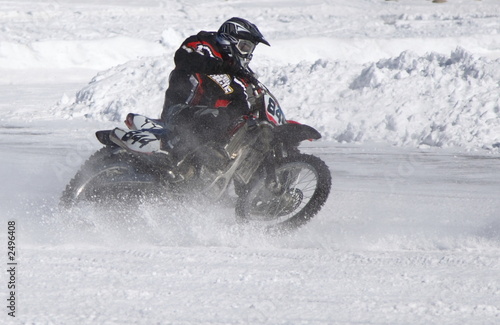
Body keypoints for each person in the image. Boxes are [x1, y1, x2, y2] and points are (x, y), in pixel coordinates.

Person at [111, 17, 270, 159]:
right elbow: (184, 57)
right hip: (181, 111)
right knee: (218, 118)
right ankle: (175, 155)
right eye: (245, 47)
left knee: (239, 122)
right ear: (229, 40)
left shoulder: (239, 72)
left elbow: (247, 95)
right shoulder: (203, 44)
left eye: (251, 50)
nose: (248, 54)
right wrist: (221, 67)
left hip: (209, 118)